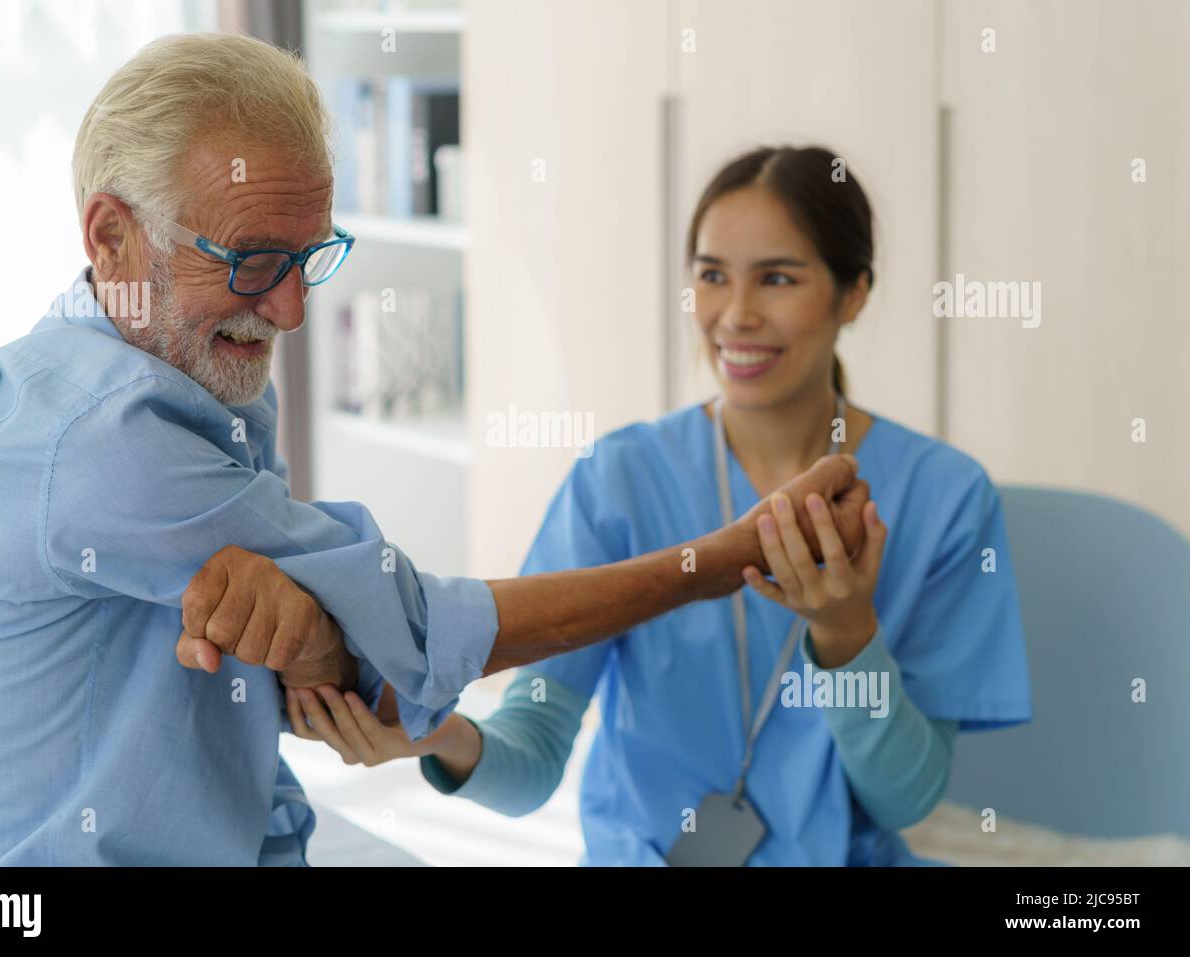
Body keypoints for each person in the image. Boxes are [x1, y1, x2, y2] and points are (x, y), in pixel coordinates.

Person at [0, 38, 866, 867]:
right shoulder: (106, 442)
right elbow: (412, 627)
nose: (291, 309)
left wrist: (317, 632)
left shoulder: (150, 371)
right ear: (112, 235)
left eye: (309, 256)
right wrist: (726, 560)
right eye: (252, 260)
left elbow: (345, 642)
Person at [293, 146, 1034, 866]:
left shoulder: (946, 498)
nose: (735, 314)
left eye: (777, 278)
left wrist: (847, 635)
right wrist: (434, 736)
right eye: (712, 276)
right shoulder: (620, 479)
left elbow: (908, 798)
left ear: (854, 293)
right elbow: (536, 752)